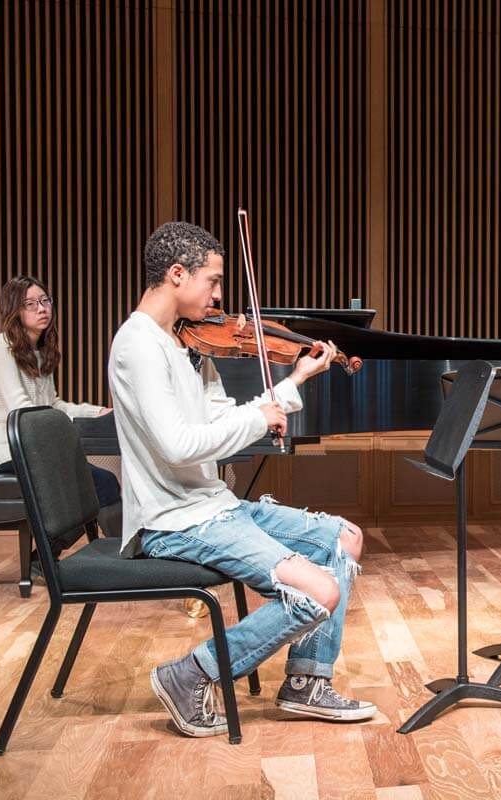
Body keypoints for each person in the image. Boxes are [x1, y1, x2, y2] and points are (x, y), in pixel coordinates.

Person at [109, 221, 375, 738]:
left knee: (345, 538)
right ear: (177, 274)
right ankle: (191, 674)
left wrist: (293, 382)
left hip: (213, 504)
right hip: (174, 519)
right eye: (212, 281)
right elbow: (180, 444)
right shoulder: (137, 345)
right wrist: (258, 419)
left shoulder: (186, 344)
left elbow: (223, 422)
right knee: (319, 591)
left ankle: (306, 682)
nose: (219, 295)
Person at [0, 276, 122, 554]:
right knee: (98, 484)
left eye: (45, 301)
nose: (42, 309)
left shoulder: (39, 352)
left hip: (32, 449)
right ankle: (117, 551)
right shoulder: (1, 347)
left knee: (101, 484)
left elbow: (51, 405)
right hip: (3, 451)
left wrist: (98, 412)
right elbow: (21, 409)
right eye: (30, 304)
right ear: (14, 311)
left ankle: (50, 556)